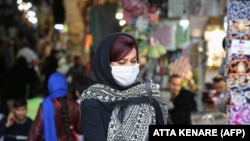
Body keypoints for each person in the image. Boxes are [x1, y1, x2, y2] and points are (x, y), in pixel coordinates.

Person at [80, 32, 168, 141]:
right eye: (122, 62)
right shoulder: (93, 100)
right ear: (106, 64)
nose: (129, 67)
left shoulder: (148, 91)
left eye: (133, 61)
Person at [27, 72, 83, 141]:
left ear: (50, 86)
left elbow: (35, 133)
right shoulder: (75, 106)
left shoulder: (45, 106)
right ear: (65, 85)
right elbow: (81, 130)